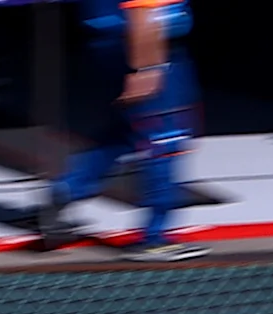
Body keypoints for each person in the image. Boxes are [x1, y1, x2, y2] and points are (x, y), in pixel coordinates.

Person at [35, 0, 201, 261]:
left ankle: (68, 188)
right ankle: (153, 237)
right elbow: (142, 11)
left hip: (120, 44)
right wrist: (146, 68)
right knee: (165, 140)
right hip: (148, 47)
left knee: (130, 131)